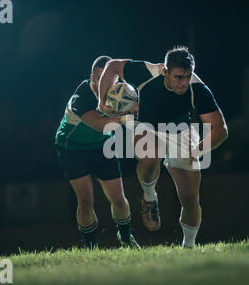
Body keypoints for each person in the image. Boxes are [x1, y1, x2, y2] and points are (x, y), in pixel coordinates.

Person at [98, 46, 228, 248]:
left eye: (187, 76)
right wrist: (102, 99)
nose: (183, 82)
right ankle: (150, 198)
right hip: (147, 125)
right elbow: (112, 66)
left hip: (181, 134)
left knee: (190, 199)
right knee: (150, 155)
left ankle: (189, 247)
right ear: (165, 71)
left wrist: (199, 149)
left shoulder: (198, 89)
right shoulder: (148, 73)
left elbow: (220, 129)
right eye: (178, 77)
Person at [55, 55, 140, 249]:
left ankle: (126, 238)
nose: (108, 86)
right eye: (102, 80)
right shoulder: (82, 97)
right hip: (72, 148)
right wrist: (129, 116)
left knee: (118, 198)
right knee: (85, 201)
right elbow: (101, 125)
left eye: (111, 80)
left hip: (102, 146)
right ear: (93, 79)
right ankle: (91, 247)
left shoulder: (122, 93)